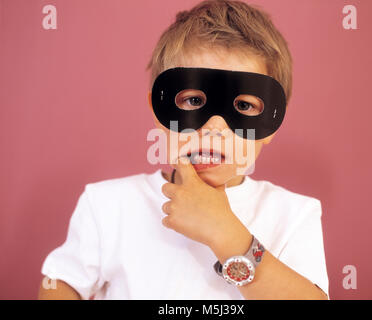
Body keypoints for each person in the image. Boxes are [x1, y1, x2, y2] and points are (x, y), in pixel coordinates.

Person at [38, 0, 329, 300]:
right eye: (193, 101)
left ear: (272, 124)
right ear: (158, 112)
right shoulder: (108, 206)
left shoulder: (293, 214)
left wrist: (227, 234)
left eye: (243, 106)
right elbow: (62, 283)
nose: (215, 127)